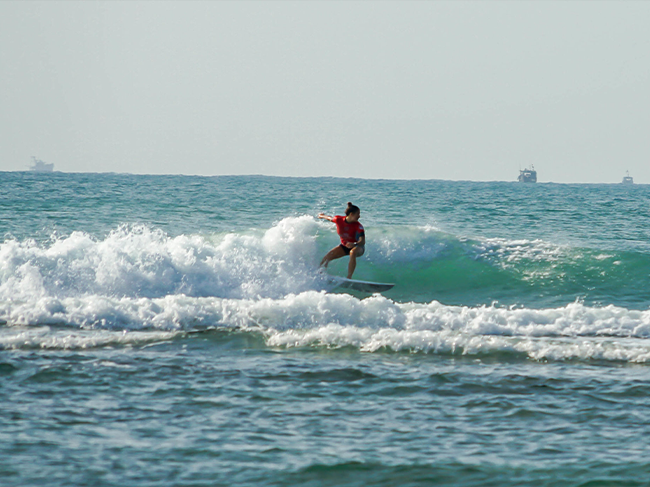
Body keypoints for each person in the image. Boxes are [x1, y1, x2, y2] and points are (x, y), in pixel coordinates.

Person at [318, 202, 365, 279]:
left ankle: (349, 277)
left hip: (358, 247)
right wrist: (322, 216)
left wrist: (354, 244)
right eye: (358, 214)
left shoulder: (358, 226)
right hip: (344, 247)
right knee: (327, 257)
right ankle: (319, 273)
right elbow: (330, 218)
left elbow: (362, 242)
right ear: (351, 214)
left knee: (352, 252)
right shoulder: (339, 220)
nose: (359, 216)